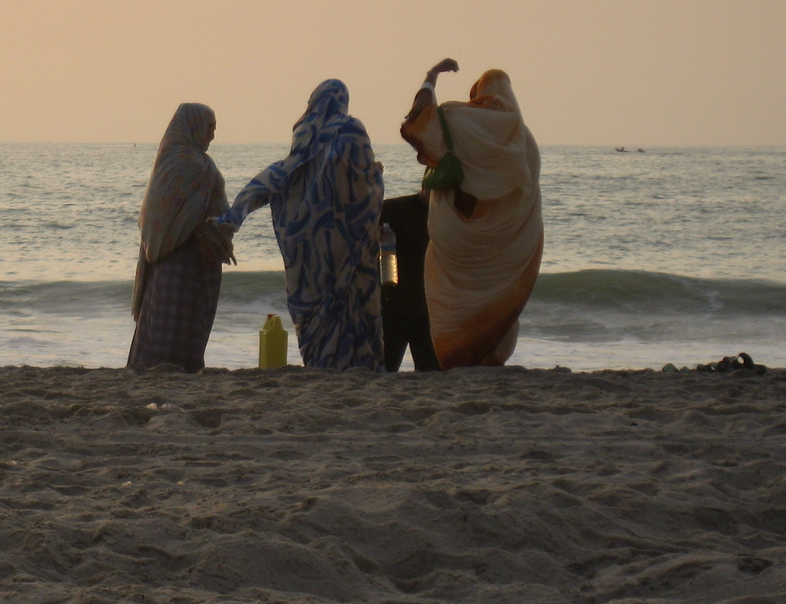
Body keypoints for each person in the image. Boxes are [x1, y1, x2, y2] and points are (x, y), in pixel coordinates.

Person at [215, 79, 384, 370]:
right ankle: (358, 365)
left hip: (308, 251)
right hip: (347, 245)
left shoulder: (304, 137)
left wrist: (234, 217)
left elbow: (272, 179)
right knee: (351, 304)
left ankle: (320, 363)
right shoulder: (352, 129)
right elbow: (364, 181)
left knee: (317, 312)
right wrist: (377, 176)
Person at [400, 59, 542, 368]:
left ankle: (454, 357)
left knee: (452, 295)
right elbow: (528, 200)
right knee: (496, 296)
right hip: (502, 246)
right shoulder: (525, 142)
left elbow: (415, 121)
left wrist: (431, 76)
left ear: (480, 94)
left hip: (457, 237)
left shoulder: (457, 119)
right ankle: (491, 357)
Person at [127, 103, 232, 372]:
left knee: (164, 322)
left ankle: (156, 368)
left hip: (171, 263)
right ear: (194, 127)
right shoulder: (193, 164)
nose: (211, 136)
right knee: (180, 325)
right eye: (209, 129)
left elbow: (164, 216)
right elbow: (183, 214)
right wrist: (202, 231)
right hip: (188, 261)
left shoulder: (171, 159)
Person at [379, 192, 439, 371]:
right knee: (384, 370)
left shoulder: (446, 215)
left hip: (428, 310)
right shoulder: (395, 208)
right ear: (424, 188)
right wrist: (373, 231)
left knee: (431, 374)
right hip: (394, 306)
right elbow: (363, 221)